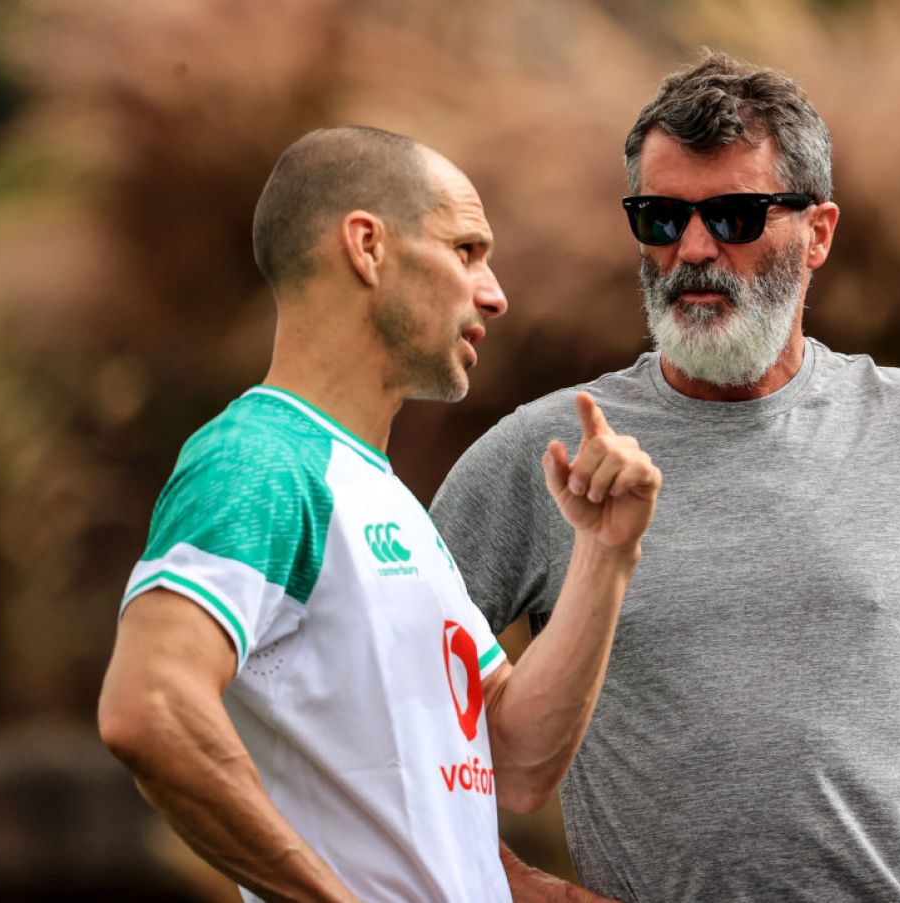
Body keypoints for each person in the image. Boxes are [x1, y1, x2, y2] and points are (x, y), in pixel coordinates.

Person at [429, 54, 900, 903]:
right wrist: (509, 882)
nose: (692, 248)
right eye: (660, 216)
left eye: (736, 215)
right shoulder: (548, 453)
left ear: (818, 232)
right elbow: (380, 692)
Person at [97, 125, 662, 903]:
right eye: (467, 250)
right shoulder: (260, 460)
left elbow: (517, 758)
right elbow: (150, 707)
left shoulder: (383, 494)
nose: (494, 292)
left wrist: (604, 556)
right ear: (366, 246)